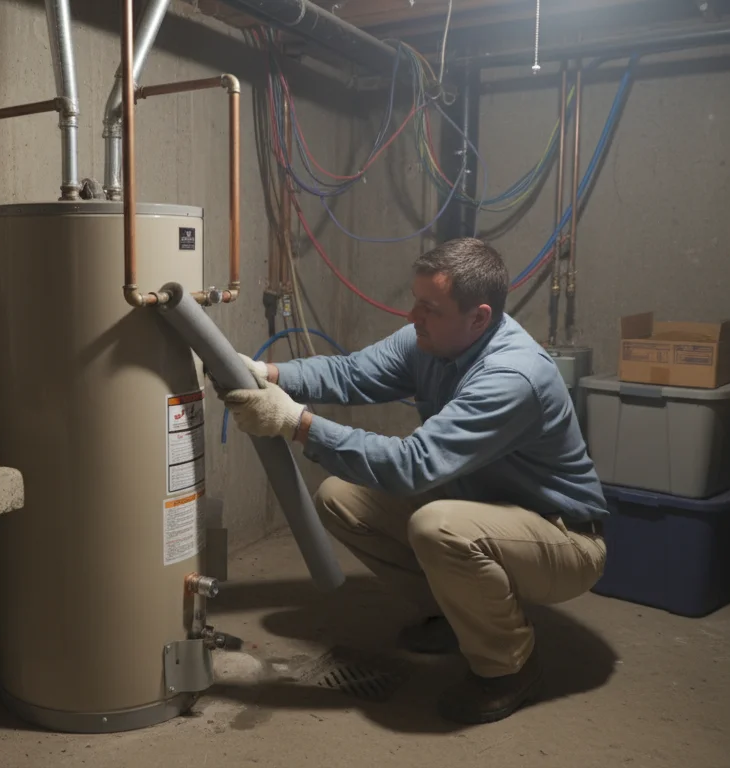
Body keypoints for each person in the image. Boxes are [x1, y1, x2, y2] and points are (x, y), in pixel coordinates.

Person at [222, 237, 609, 725]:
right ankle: (455, 616)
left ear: (479, 318)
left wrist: (296, 423)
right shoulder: (431, 340)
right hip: (485, 506)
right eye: (415, 301)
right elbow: (351, 373)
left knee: (438, 527)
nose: (412, 316)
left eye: (429, 307)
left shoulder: (512, 376)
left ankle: (508, 665)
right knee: (341, 498)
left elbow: (412, 465)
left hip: (563, 537)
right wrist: (267, 373)